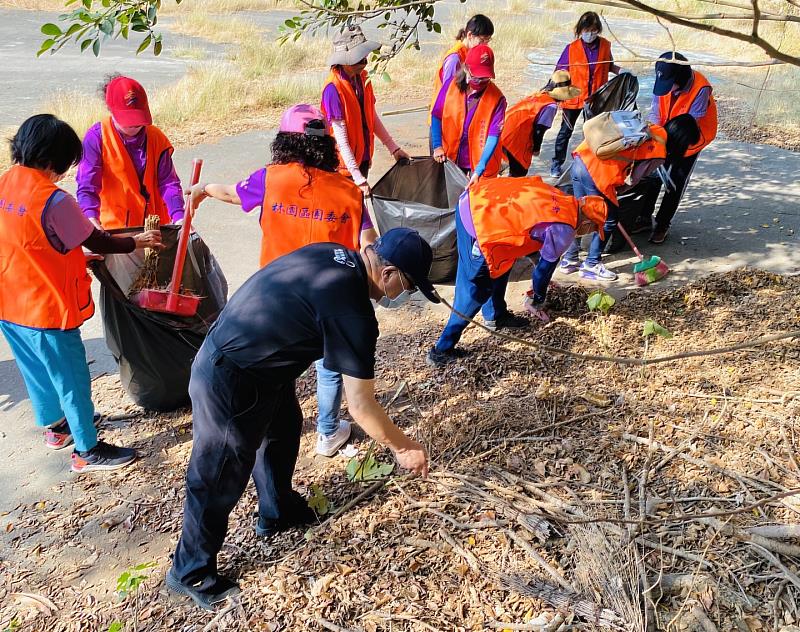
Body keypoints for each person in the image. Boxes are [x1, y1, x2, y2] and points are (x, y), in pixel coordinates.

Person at [166, 228, 435, 610]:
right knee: (218, 472)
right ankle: (189, 571)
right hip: (230, 372)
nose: (403, 296)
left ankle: (277, 512)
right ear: (388, 273)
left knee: (283, 430)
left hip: (263, 367)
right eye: (407, 286)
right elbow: (360, 405)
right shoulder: (353, 309)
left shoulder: (336, 254)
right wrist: (404, 448)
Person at [189, 103, 374, 458]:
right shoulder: (350, 192)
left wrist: (203, 188)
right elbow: (369, 243)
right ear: (325, 146)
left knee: (275, 365)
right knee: (329, 365)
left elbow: (232, 192)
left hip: (274, 299)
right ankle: (328, 432)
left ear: (285, 143)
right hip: (327, 298)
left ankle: (270, 426)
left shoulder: (270, 178)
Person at [0, 114, 163, 472]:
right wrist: (137, 240)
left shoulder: (6, 182)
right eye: (66, 164)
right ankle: (87, 450)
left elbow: (31, 240)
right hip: (47, 309)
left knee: (37, 372)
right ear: (52, 159)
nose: (66, 172)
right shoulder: (53, 200)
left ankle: (57, 429)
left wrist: (70, 253)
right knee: (72, 378)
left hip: (10, 304)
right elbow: (97, 239)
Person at [426, 177, 608, 366]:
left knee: (502, 262)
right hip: (478, 222)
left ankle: (496, 315)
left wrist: (542, 274)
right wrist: (537, 297)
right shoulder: (565, 228)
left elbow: (535, 241)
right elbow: (543, 271)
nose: (589, 232)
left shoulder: (563, 199)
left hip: (478, 199)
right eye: (593, 228)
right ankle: (441, 350)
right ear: (587, 222)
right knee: (475, 289)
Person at [431, 44, 528, 332]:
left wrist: (481, 168)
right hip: (451, 164)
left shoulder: (497, 98)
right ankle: (451, 268)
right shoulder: (451, 85)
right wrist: (436, 145)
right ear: (466, 70)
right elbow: (436, 115)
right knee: (450, 219)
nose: (481, 82)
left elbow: (493, 138)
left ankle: (489, 307)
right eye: (476, 76)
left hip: (479, 174)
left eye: (486, 78)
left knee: (481, 238)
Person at [559, 114, 700, 281]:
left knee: (580, 213)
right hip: (597, 174)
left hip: (580, 159)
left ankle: (570, 260)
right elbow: (633, 179)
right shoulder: (659, 152)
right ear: (682, 140)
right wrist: (617, 192)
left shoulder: (652, 128)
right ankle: (592, 264)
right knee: (608, 219)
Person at [76, 74, 184, 230]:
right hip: (114, 231)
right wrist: (92, 223)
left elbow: (168, 183)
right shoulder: (96, 138)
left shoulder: (156, 138)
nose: (134, 125)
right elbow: (87, 187)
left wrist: (179, 217)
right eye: (127, 119)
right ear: (110, 110)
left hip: (154, 229)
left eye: (138, 118)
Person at [320, 26, 411, 198]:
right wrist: (357, 177)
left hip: (362, 159)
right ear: (344, 60)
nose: (365, 62)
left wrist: (393, 148)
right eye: (359, 58)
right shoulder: (333, 89)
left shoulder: (363, 78)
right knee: (347, 217)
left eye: (364, 57)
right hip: (342, 168)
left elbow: (371, 116)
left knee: (358, 212)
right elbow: (341, 139)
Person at [644, 52, 718, 244]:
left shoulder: (701, 88)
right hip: (664, 134)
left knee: (674, 182)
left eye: (672, 84)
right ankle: (643, 217)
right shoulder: (664, 79)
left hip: (688, 139)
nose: (668, 89)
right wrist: (655, 135)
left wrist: (669, 142)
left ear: (681, 78)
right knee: (652, 175)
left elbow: (690, 123)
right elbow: (655, 111)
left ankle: (662, 224)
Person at [551, 11, 624, 178]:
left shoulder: (605, 46)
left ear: (597, 30)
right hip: (574, 98)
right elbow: (559, 72)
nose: (589, 34)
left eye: (593, 30)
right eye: (586, 30)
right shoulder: (571, 49)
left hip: (596, 98)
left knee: (594, 133)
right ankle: (556, 164)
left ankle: (590, 164)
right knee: (565, 132)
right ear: (580, 30)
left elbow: (609, 66)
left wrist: (621, 71)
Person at [501, 70, 581, 177]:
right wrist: (536, 148)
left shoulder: (540, 95)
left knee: (511, 165)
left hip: (503, 130)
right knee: (519, 173)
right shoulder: (550, 106)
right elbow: (539, 130)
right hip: (514, 137)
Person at [428, 14, 494, 140]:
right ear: (470, 35)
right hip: (444, 124)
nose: (485, 45)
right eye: (482, 40)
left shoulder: (472, 54)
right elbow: (449, 96)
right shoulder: (455, 59)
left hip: (458, 123)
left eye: (488, 41)